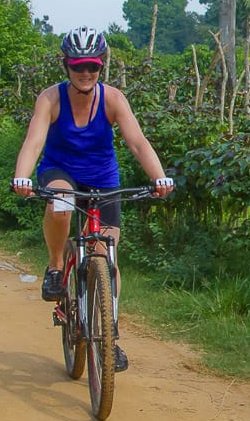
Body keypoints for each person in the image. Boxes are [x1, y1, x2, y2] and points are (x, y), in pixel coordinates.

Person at [10, 28, 174, 371]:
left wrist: (158, 177)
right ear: (66, 66)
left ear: (101, 67)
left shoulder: (113, 99)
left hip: (102, 179)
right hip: (60, 171)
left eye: (92, 67)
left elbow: (137, 142)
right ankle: (56, 265)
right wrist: (22, 175)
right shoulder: (50, 99)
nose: (85, 74)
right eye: (78, 67)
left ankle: (109, 336)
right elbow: (34, 141)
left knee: (108, 255)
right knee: (61, 202)